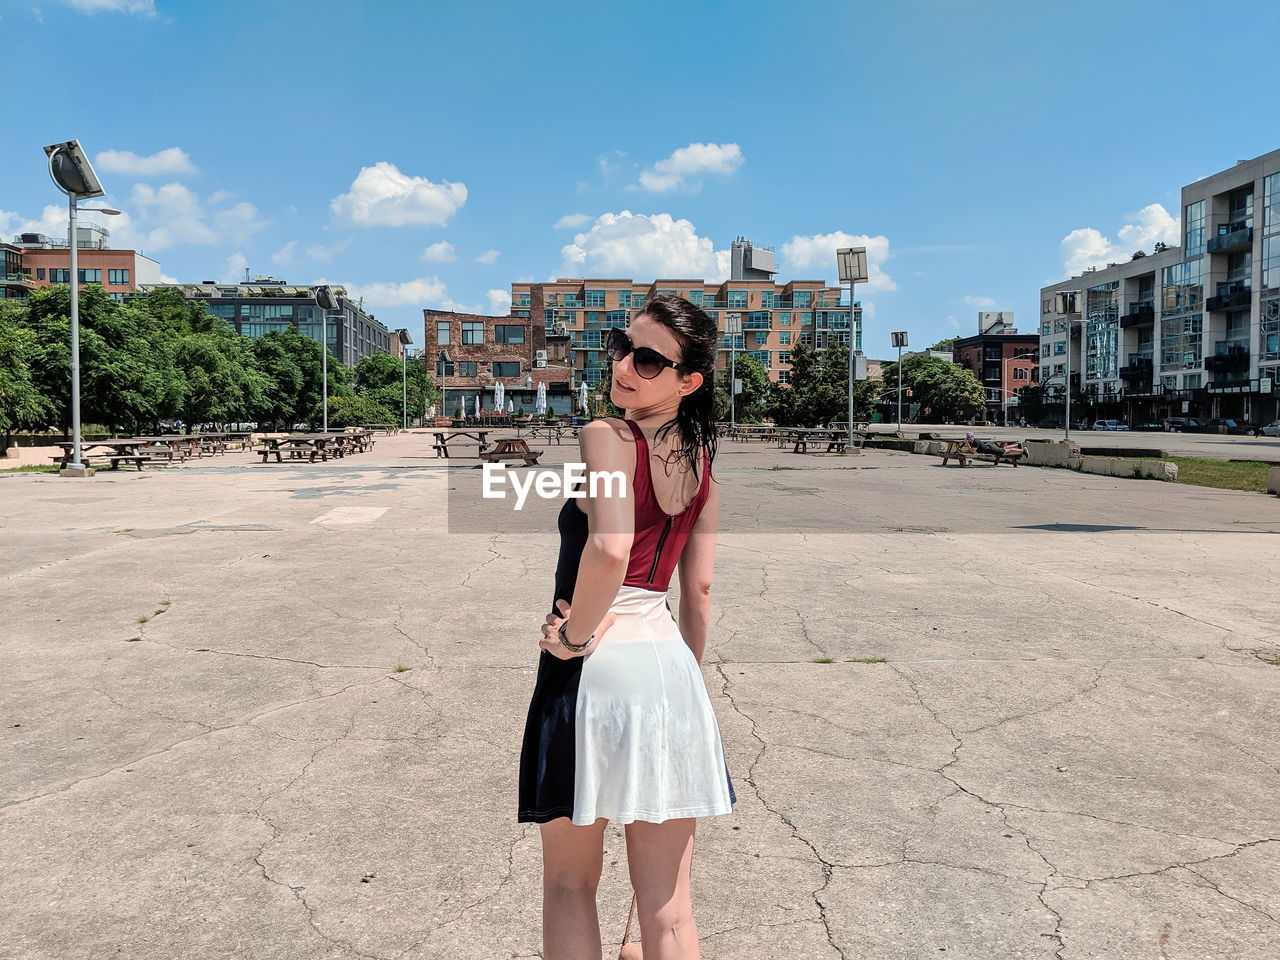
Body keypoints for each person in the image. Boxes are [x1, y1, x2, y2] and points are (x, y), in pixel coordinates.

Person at [518, 295, 735, 960]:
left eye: (648, 358)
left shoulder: (607, 436)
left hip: (597, 668)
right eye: (621, 345)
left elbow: (610, 550)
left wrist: (574, 637)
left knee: (568, 884)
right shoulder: (703, 469)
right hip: (668, 667)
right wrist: (684, 680)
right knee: (667, 911)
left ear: (687, 381)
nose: (624, 365)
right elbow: (696, 592)